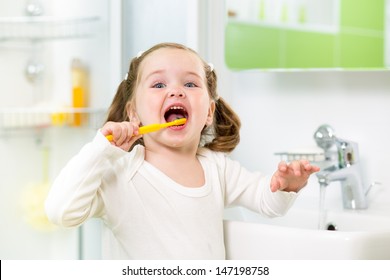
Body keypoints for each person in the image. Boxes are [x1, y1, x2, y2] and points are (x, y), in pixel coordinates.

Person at [45, 42, 320, 259]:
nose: (176, 91)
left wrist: (286, 186)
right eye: (158, 84)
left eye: (190, 84)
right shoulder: (121, 173)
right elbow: (61, 211)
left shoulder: (218, 167)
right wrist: (101, 150)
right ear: (134, 114)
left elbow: (265, 202)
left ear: (209, 112)